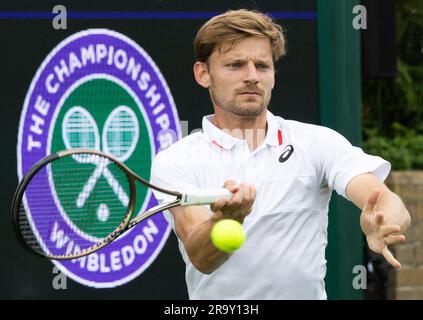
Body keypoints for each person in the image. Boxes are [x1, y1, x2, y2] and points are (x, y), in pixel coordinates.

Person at [150, 9, 411, 299]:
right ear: (203, 74)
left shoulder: (318, 142)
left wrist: (385, 220)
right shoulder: (175, 161)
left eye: (262, 66)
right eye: (235, 65)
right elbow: (201, 257)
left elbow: (383, 199)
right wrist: (226, 221)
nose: (252, 77)